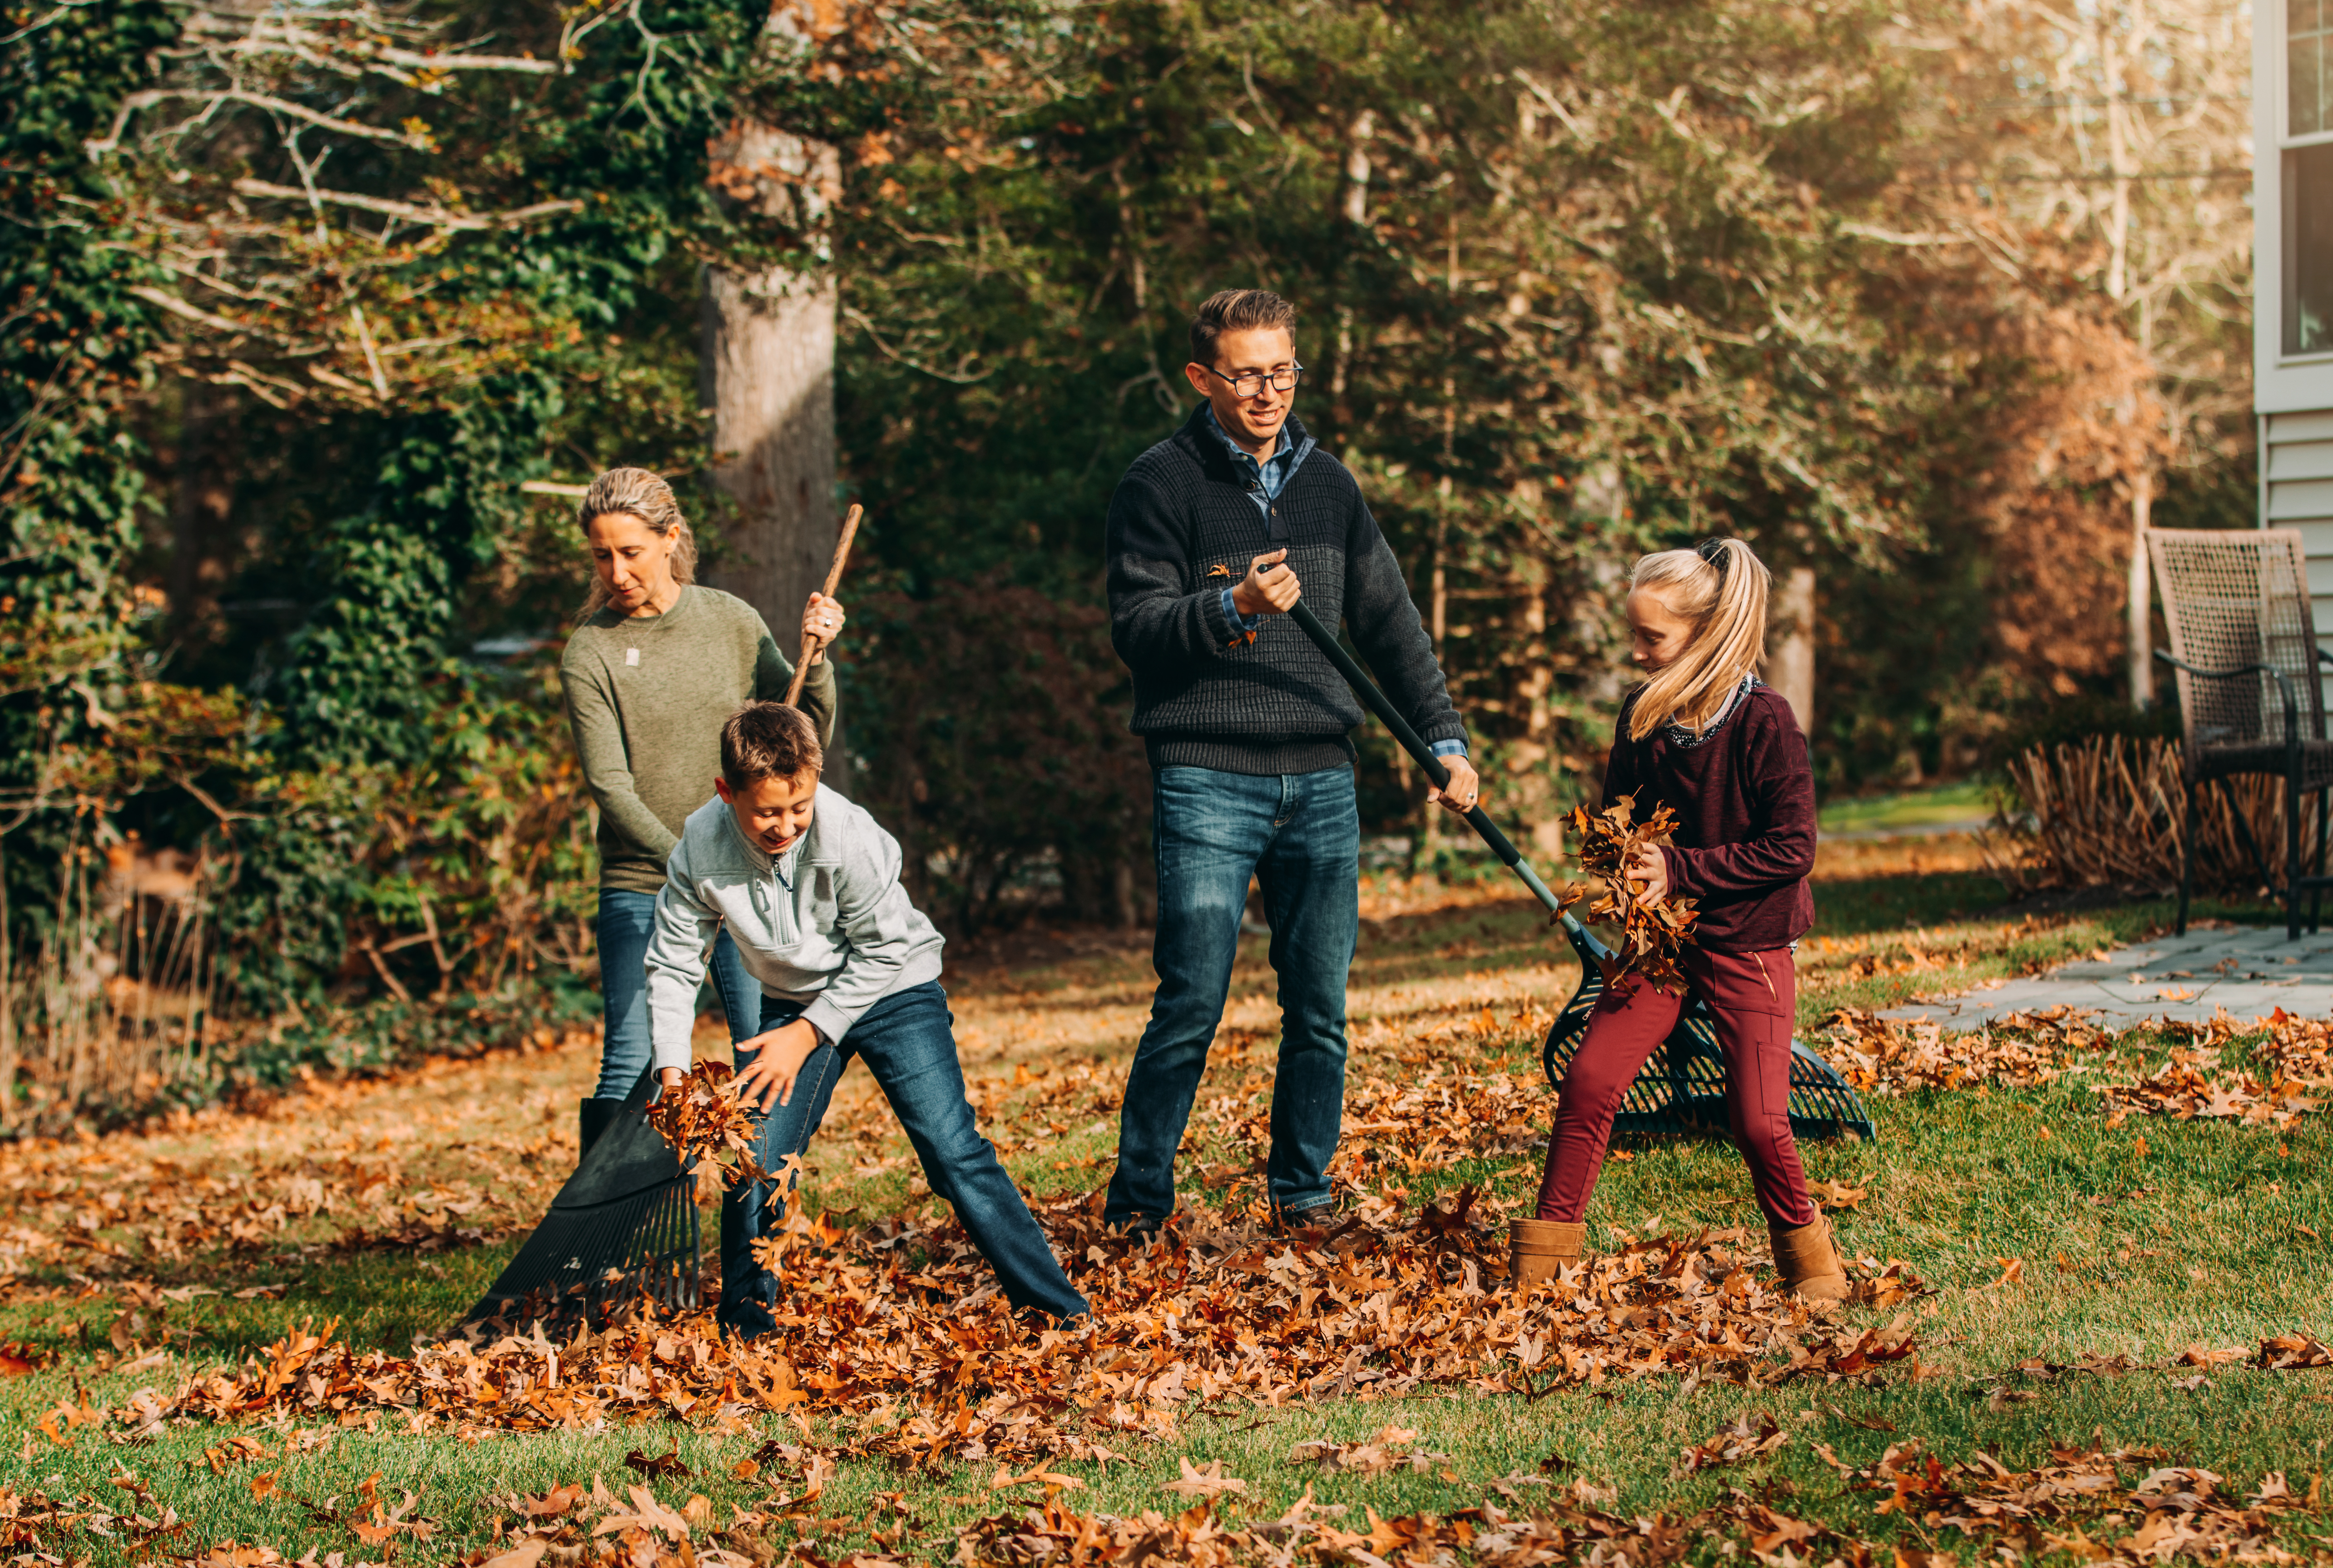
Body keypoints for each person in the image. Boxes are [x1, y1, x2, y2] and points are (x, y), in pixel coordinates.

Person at [1100, 288, 1478, 1236]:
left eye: (1281, 371)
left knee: (1317, 1005)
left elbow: (1389, 625)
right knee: (1190, 1000)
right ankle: (1137, 1208)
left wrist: (1442, 738)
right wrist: (1233, 612)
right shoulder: (1160, 482)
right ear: (1202, 378)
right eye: (1245, 374)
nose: (1267, 391)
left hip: (1320, 775)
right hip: (1206, 775)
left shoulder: (1329, 485)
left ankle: (1301, 1196)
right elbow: (1137, 629)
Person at [646, 702, 1088, 1335]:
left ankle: (1056, 1307)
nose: (786, 826)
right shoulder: (701, 842)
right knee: (756, 1156)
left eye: (799, 807)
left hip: (894, 990)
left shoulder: (847, 833)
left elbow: (883, 949)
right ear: (726, 792)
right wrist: (671, 1067)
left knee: (950, 1149)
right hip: (792, 1000)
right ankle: (746, 1323)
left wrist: (807, 1034)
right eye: (767, 812)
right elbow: (673, 959)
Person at [1510, 538, 1844, 1301]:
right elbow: (1618, 815)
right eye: (1632, 633)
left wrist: (1683, 869)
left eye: (1650, 638)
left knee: (1759, 1123)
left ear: (1704, 633)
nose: (1636, 652)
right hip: (1661, 945)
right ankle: (1541, 1269)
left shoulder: (1766, 723)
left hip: (1747, 943)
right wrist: (1615, 859)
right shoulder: (1643, 715)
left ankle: (1813, 1266)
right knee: (1590, 1082)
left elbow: (1794, 848)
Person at [561, 468, 844, 1153]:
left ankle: (757, 1229)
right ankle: (597, 1248)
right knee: (633, 1062)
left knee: (759, 1056)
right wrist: (693, 866)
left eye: (630, 551)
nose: (616, 570)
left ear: (670, 539)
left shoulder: (731, 621)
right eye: (602, 555)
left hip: (746, 879)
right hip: (643, 885)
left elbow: (799, 739)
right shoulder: (590, 651)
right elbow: (611, 786)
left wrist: (823, 658)